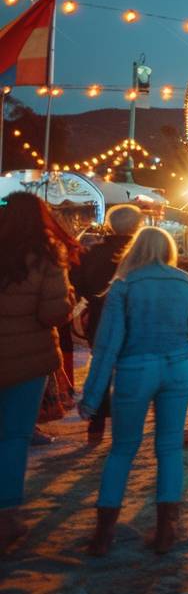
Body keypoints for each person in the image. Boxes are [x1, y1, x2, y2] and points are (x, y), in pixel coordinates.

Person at [79, 227, 188, 556]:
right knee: (169, 448)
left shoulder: (124, 285)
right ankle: (166, 528)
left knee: (123, 449)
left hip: (135, 370)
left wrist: (92, 397)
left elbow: (107, 345)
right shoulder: (184, 281)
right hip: (178, 367)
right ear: (168, 250)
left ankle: (104, 532)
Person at [0, 192, 77, 553]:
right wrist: (68, 302)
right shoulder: (46, 256)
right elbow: (52, 313)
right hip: (27, 359)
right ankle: (7, 513)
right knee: (14, 436)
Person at [70, 204, 143, 443]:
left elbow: (76, 283)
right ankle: (128, 424)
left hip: (100, 317)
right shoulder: (144, 253)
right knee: (134, 369)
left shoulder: (92, 253)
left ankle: (97, 423)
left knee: (102, 367)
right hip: (137, 317)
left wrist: (89, 301)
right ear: (137, 225)